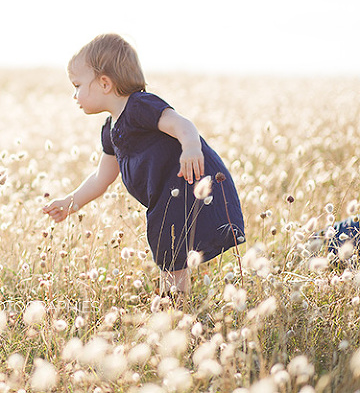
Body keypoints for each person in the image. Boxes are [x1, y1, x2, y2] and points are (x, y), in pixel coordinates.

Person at [42, 33, 245, 295]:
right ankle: (175, 305)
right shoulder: (111, 129)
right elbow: (101, 178)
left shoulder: (140, 106)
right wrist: (71, 203)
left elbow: (181, 124)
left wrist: (191, 148)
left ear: (104, 83)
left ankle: (175, 307)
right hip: (162, 196)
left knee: (171, 252)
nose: (74, 95)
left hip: (187, 182)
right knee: (167, 248)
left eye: (77, 85)